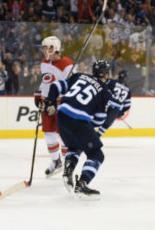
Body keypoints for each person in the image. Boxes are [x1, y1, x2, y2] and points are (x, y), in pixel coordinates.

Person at [44, 60, 118, 198]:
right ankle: (82, 183)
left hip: (62, 117)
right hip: (79, 122)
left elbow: (55, 86)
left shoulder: (79, 76)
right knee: (97, 155)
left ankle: (68, 169)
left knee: (75, 146)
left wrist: (50, 102)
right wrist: (90, 128)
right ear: (106, 74)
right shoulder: (105, 92)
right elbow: (99, 119)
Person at [34, 35, 74, 177]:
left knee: (62, 135)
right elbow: (45, 80)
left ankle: (68, 163)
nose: (43, 50)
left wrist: (62, 102)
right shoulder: (44, 62)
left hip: (60, 103)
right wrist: (38, 94)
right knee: (48, 133)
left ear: (54, 48)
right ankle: (56, 162)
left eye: (45, 47)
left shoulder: (67, 64)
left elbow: (71, 86)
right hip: (47, 102)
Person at [97, 69, 132, 136]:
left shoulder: (112, 82)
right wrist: (121, 112)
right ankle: (95, 138)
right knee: (105, 125)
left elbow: (102, 88)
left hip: (106, 104)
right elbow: (127, 105)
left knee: (95, 120)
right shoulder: (128, 89)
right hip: (115, 110)